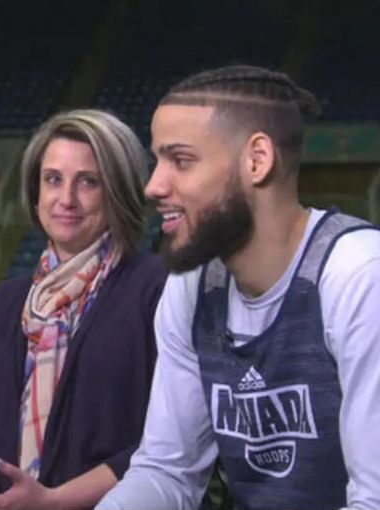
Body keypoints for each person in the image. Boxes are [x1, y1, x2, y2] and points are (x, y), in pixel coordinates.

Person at [96, 65, 380, 510]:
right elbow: (167, 472)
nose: (153, 186)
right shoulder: (191, 289)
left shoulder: (359, 274)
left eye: (181, 160)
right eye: (157, 161)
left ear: (257, 160)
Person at [0, 109, 167, 510]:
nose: (66, 199)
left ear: (120, 191)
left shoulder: (157, 290)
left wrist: (53, 501)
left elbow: (165, 444)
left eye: (88, 182)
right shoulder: (3, 304)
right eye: (53, 179)